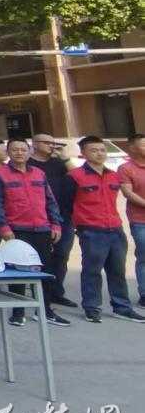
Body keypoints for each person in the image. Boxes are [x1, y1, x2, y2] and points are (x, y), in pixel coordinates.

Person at [0, 138, 68, 326]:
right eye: (15, 150)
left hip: (42, 228)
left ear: (29, 152)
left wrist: (55, 224)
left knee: (45, 271)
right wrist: (3, 227)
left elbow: (50, 200)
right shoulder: (0, 175)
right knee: (18, 272)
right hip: (17, 230)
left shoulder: (39, 173)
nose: (19, 153)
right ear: (8, 153)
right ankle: (18, 312)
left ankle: (45, 310)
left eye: (23, 150)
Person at [65, 136, 145, 324]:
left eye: (102, 150)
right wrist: (78, 227)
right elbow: (66, 205)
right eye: (94, 150)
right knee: (92, 271)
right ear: (83, 154)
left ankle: (122, 307)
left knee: (117, 271)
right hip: (91, 230)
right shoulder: (75, 177)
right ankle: (92, 308)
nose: (99, 154)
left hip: (115, 228)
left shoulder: (113, 175)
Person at [29, 133, 77, 309]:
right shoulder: (28, 163)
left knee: (62, 254)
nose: (52, 146)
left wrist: (65, 159)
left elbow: (79, 178)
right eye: (46, 142)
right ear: (35, 144)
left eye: (53, 142)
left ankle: (57, 292)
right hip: (37, 217)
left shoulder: (59, 163)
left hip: (63, 215)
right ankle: (41, 294)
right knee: (39, 257)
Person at [119, 134, 145, 310]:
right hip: (140, 220)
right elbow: (127, 192)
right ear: (132, 148)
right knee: (144, 257)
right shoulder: (125, 168)